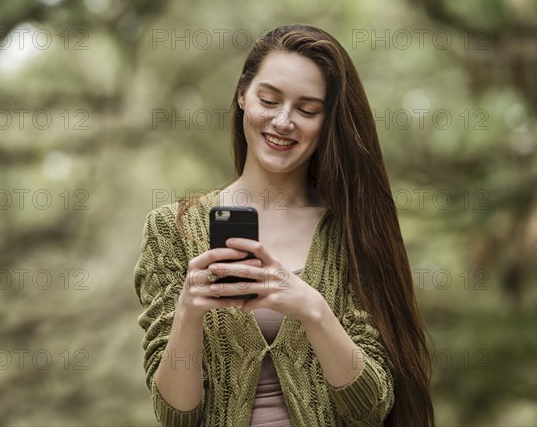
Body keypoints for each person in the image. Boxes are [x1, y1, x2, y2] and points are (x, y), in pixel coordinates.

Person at [134, 24, 435, 427]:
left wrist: (312, 309)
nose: (282, 121)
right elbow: (175, 416)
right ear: (242, 95)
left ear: (327, 121)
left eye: (307, 110)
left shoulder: (353, 230)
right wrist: (189, 312)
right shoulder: (172, 230)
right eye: (269, 99)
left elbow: (370, 409)